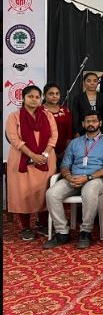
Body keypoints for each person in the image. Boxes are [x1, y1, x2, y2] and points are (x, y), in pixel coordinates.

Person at [44, 111, 103, 249]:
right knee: (51, 194)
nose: (91, 124)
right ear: (83, 124)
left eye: (94, 121)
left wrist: (88, 177)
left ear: (100, 123)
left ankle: (85, 232)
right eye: (87, 121)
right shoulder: (75, 142)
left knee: (89, 192)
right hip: (73, 178)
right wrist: (68, 176)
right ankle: (62, 232)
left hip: (94, 178)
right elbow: (65, 165)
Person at [6, 85, 58, 241]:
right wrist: (32, 155)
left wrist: (44, 154)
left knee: (44, 191)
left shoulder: (47, 115)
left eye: (37, 97)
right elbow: (14, 139)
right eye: (30, 96)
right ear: (23, 98)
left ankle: (42, 224)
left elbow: (54, 136)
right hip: (22, 160)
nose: (34, 100)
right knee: (23, 193)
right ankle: (26, 227)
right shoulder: (14, 117)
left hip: (45, 159)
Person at [71, 72, 103, 137]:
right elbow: (75, 117)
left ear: (98, 82)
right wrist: (76, 132)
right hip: (82, 132)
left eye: (95, 81)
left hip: (101, 131)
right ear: (84, 82)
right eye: (89, 81)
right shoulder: (78, 98)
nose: (92, 83)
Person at [42, 83, 73, 161]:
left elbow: (69, 133)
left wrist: (65, 151)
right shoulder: (39, 111)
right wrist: (49, 151)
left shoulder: (65, 111)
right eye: (51, 94)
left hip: (64, 152)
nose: (55, 96)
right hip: (44, 152)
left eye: (57, 93)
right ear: (44, 95)